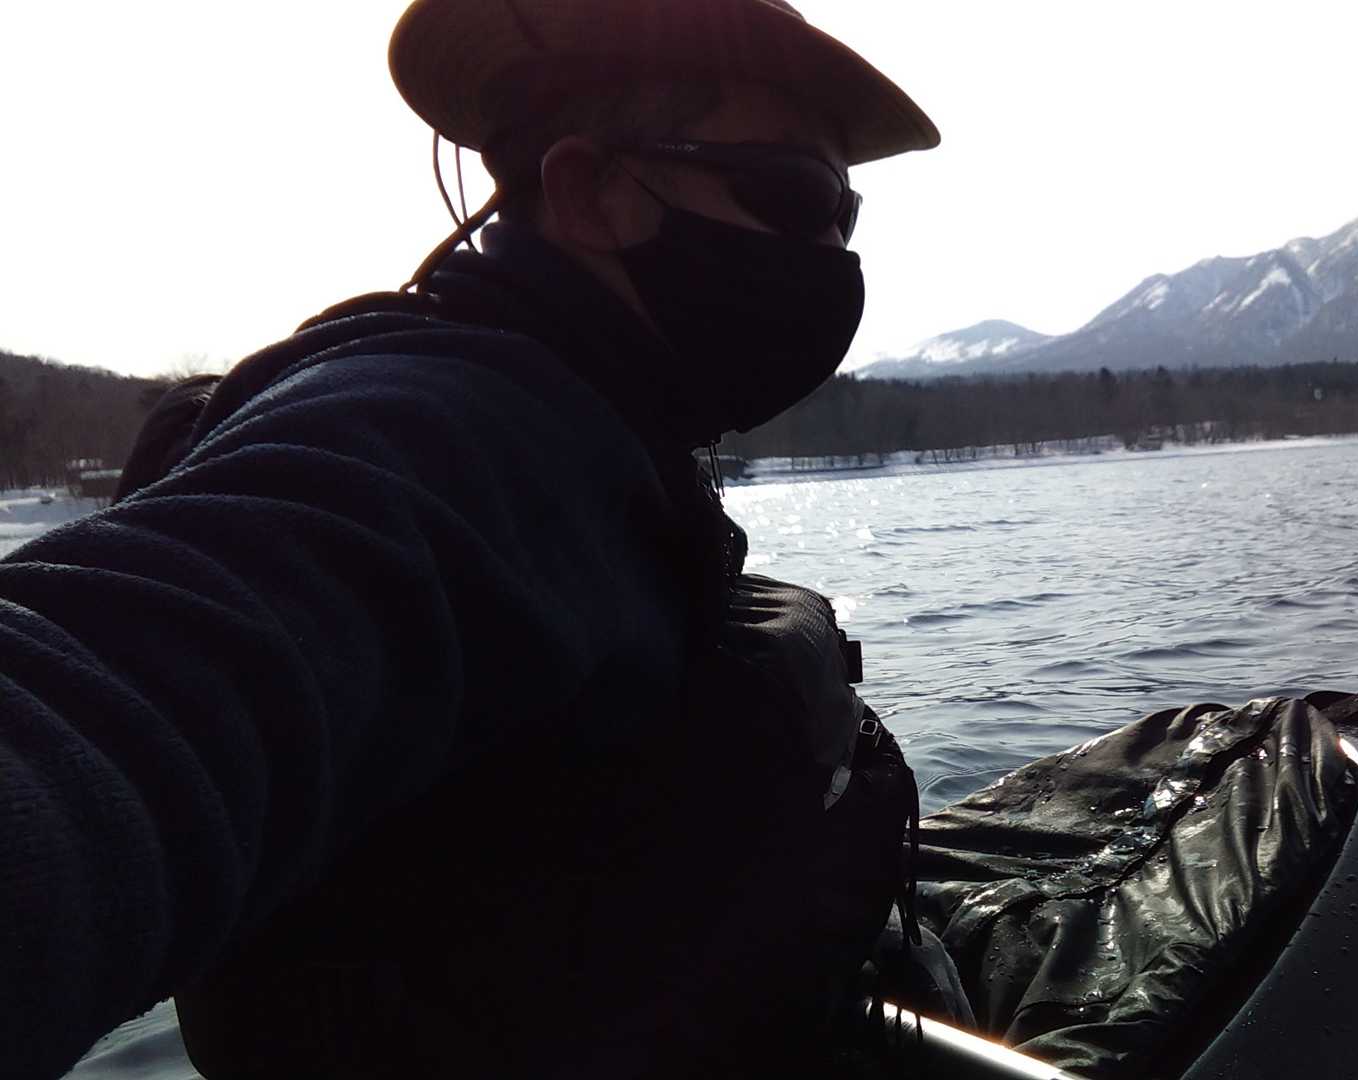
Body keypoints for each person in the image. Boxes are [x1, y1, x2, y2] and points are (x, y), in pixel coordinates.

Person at [0, 1, 939, 1077]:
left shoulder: (602, 420)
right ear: (589, 191)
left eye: (844, 213)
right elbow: (110, 706)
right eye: (796, 196)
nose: (830, 254)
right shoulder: (444, 430)